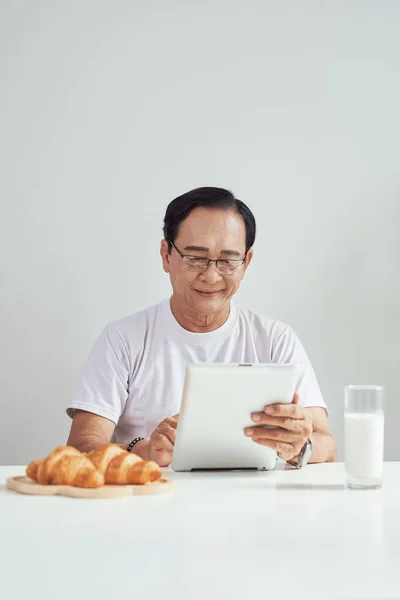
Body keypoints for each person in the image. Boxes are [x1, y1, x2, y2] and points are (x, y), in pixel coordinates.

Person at [67, 187, 336, 467]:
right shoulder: (123, 339)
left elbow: (327, 446)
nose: (211, 276)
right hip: (149, 502)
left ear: (246, 263)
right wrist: (141, 450)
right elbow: (80, 449)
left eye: (228, 260)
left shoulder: (275, 339)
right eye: (195, 257)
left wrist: (299, 446)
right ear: (166, 255)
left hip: (255, 506)